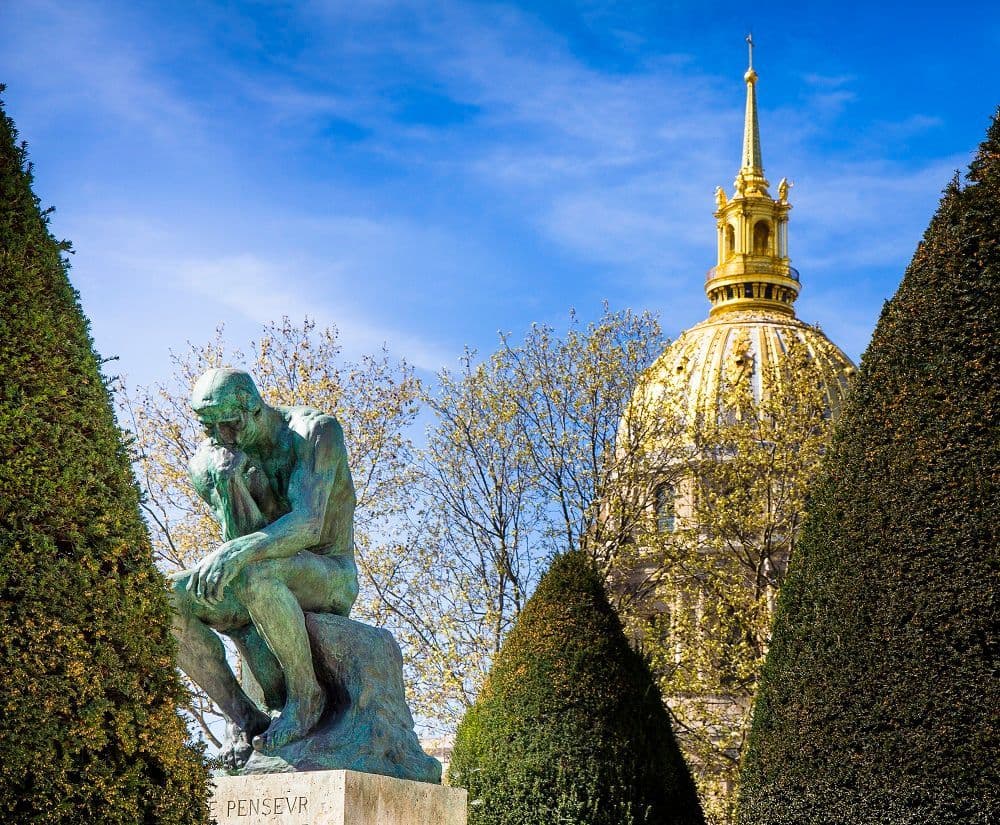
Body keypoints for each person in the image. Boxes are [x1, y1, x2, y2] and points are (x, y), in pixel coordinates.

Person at [169, 368, 358, 758]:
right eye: (209, 428)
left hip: (328, 573)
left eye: (230, 425)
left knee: (255, 570)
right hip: (263, 574)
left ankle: (306, 698)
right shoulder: (210, 462)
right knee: (162, 597)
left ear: (254, 407)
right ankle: (244, 717)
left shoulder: (315, 433)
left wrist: (235, 552)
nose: (221, 437)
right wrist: (229, 484)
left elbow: (308, 523)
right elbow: (240, 539)